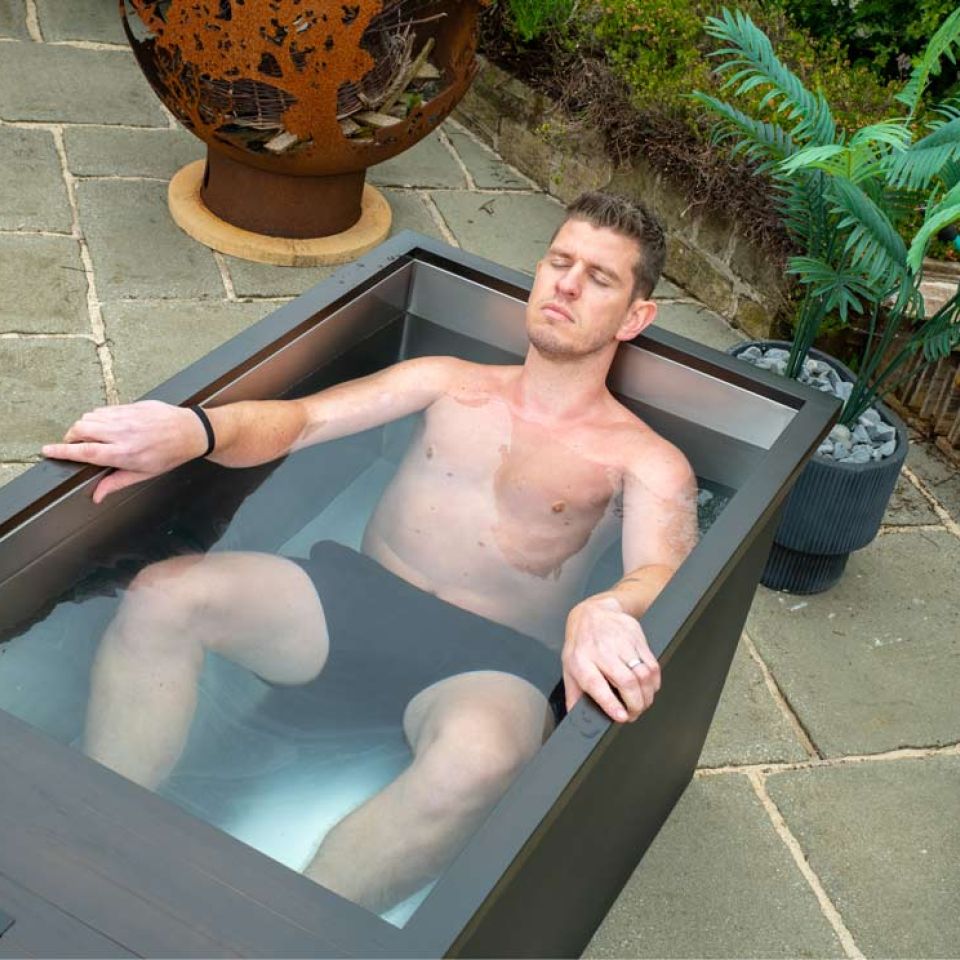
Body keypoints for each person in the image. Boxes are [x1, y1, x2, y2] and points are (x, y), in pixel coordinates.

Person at [42, 191, 699, 914]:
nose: (566, 284)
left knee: (483, 761)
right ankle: (94, 840)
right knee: (166, 596)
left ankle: (289, 932)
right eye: (559, 261)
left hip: (491, 660)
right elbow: (300, 420)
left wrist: (607, 609)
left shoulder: (648, 458)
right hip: (353, 604)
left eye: (598, 277)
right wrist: (194, 430)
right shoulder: (449, 380)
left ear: (636, 316)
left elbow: (665, 571)